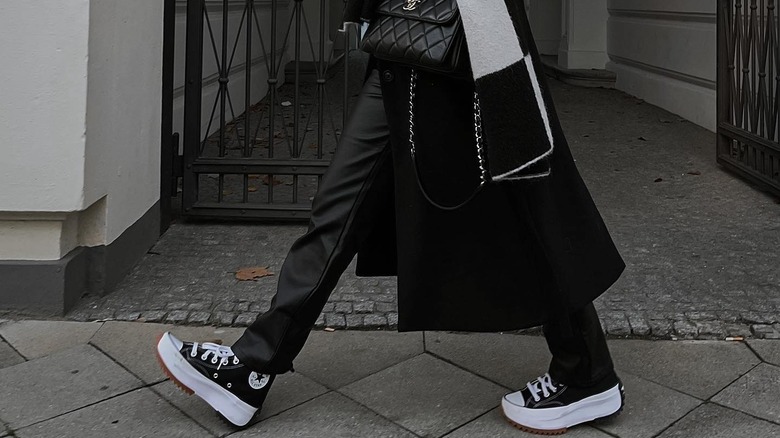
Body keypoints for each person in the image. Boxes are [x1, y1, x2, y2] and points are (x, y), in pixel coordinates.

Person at [156, 0, 626, 434]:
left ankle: (587, 371)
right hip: (409, 41)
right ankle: (254, 363)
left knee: (527, 199)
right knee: (338, 208)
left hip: (472, 42)